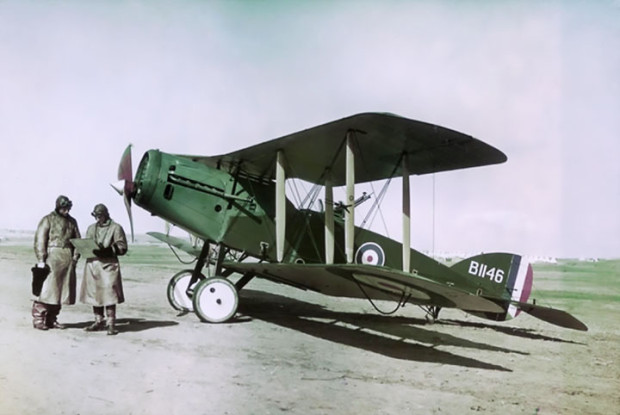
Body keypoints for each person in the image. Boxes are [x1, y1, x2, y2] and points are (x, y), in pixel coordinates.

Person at [33, 195, 81, 330]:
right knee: (46, 290)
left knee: (60, 291)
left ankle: (52, 319)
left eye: (68, 208)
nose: (66, 211)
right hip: (51, 257)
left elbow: (77, 240)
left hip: (67, 259)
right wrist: (41, 259)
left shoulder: (72, 222)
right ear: (58, 207)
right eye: (64, 208)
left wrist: (75, 257)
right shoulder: (48, 219)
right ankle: (38, 319)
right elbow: (40, 240)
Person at [80, 203, 128, 335]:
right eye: (96, 216)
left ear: (106, 214)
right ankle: (98, 321)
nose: (98, 218)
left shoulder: (116, 228)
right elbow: (87, 244)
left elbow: (123, 247)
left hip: (108, 266)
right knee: (95, 294)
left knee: (109, 295)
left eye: (100, 215)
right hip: (92, 265)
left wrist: (108, 251)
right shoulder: (91, 228)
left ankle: (111, 324)